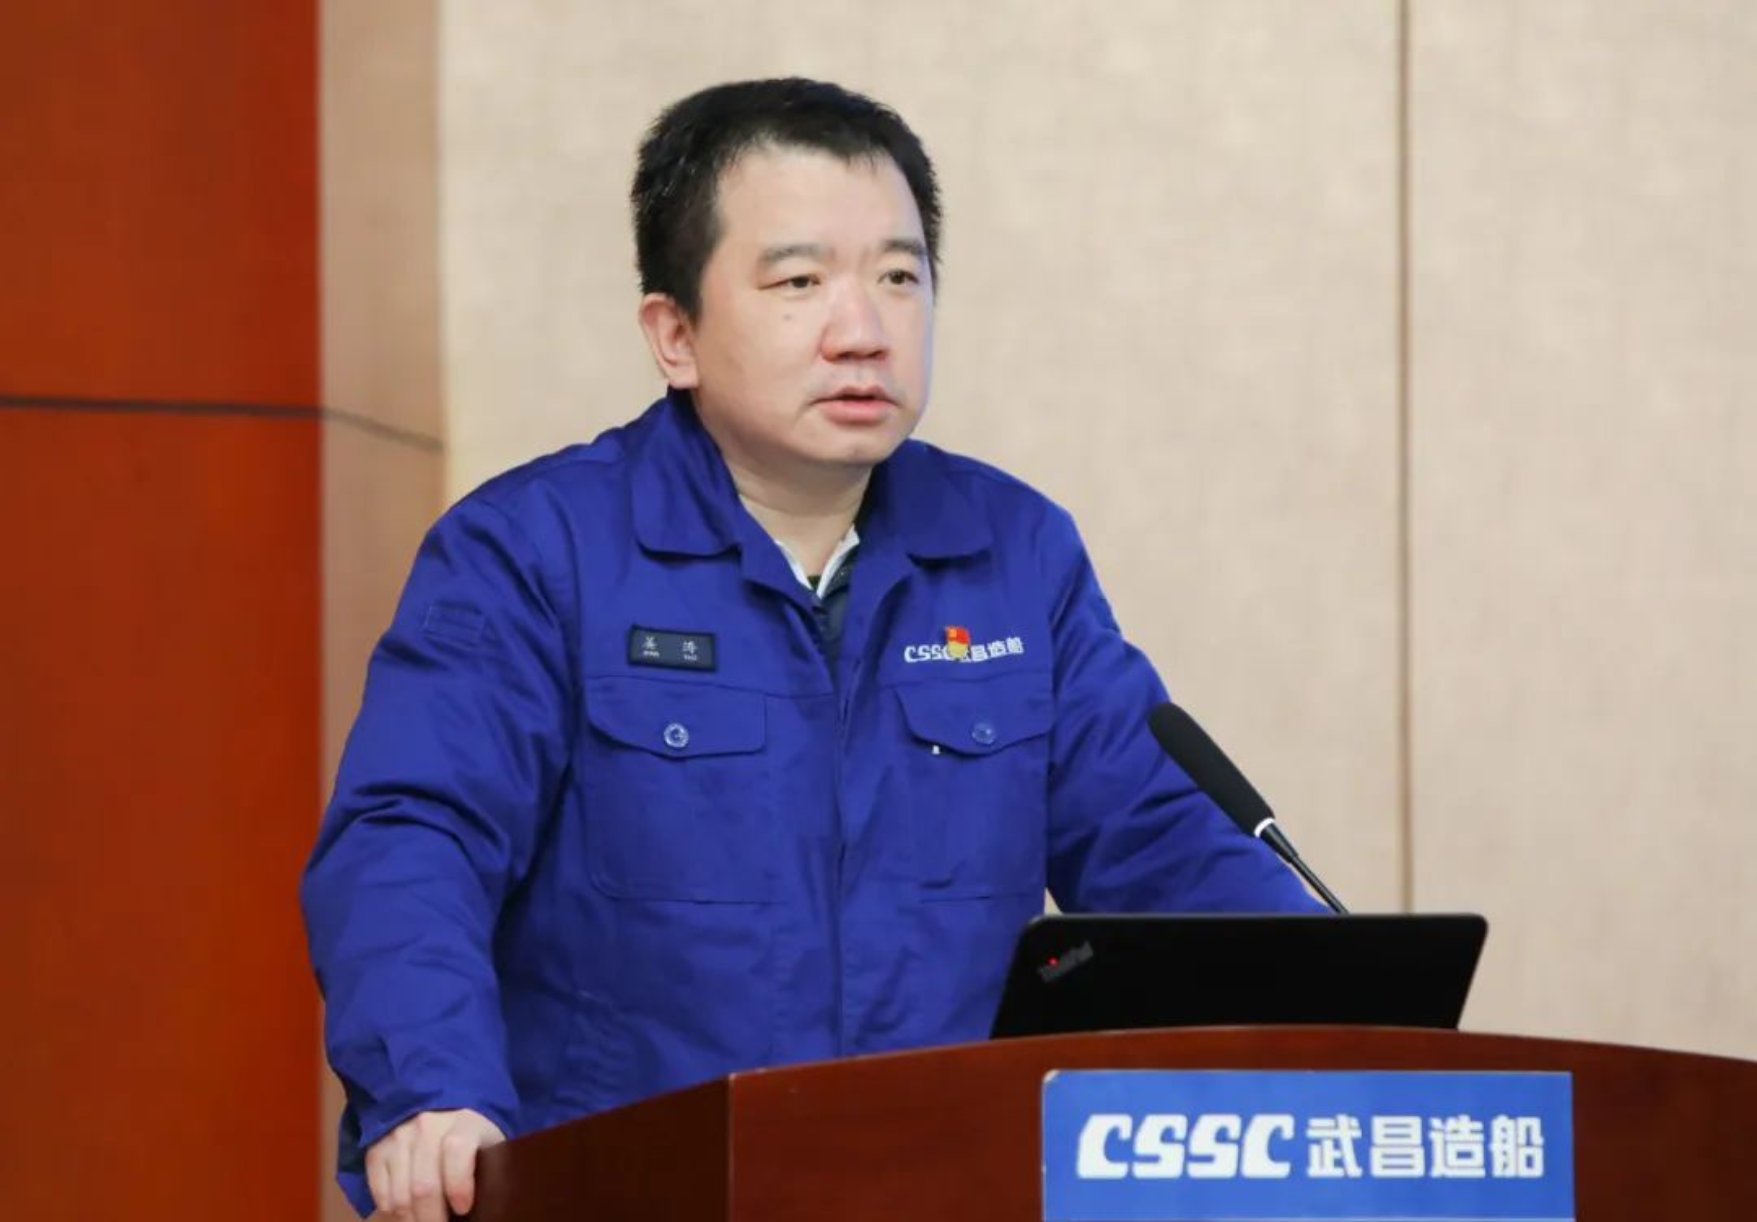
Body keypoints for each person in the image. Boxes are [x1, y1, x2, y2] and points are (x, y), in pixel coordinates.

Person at [301, 77, 1323, 1221]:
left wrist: (1345, 1011)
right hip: (630, 1186)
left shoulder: (1011, 552)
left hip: (942, 1187)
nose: (862, 330)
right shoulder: (535, 552)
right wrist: (430, 1089)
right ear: (674, 335)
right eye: (798, 282)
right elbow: (412, 839)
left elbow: (1159, 837)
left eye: (897, 277)